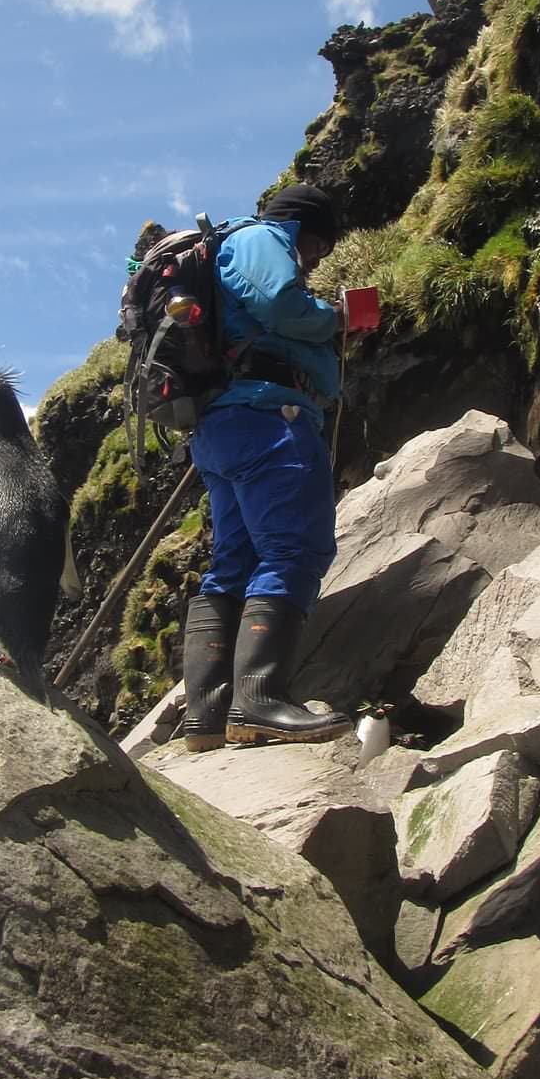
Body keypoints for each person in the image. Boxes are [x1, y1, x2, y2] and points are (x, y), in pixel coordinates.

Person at [182, 183, 353, 751]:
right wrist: (336, 316)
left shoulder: (229, 247)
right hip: (267, 417)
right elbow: (281, 303)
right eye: (318, 249)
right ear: (304, 228)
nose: (313, 261)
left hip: (224, 427)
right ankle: (259, 701)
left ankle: (206, 716)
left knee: (235, 561)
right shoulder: (262, 239)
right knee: (293, 549)